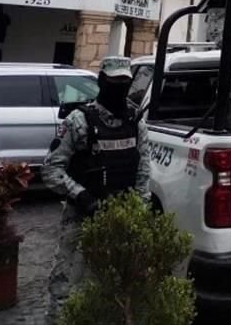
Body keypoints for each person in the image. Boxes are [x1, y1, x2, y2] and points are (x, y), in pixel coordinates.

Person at [42, 56, 150, 323]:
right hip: (82, 216)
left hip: (121, 217)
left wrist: (138, 212)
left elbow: (143, 173)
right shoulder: (79, 121)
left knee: (114, 285)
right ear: (102, 81)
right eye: (114, 82)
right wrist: (81, 195)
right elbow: (51, 170)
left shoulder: (135, 122)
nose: (120, 87)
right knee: (65, 282)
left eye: (125, 82)